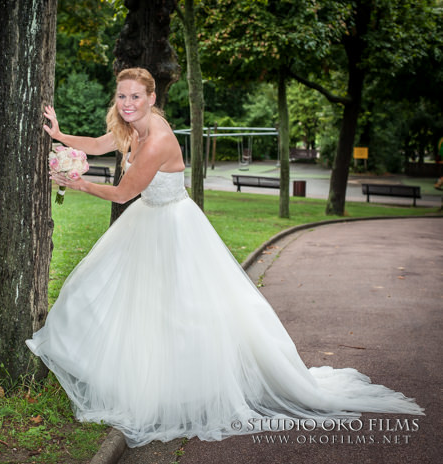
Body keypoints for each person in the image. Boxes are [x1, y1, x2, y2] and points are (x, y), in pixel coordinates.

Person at [26, 68, 423, 447]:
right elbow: (99, 145)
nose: (127, 103)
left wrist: (78, 184)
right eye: (122, 96)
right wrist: (61, 135)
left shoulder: (158, 139)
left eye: (135, 96)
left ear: (152, 98)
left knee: (181, 310)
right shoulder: (131, 126)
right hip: (148, 223)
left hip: (173, 229)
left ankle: (184, 388)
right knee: (122, 299)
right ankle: (146, 377)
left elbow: (122, 193)